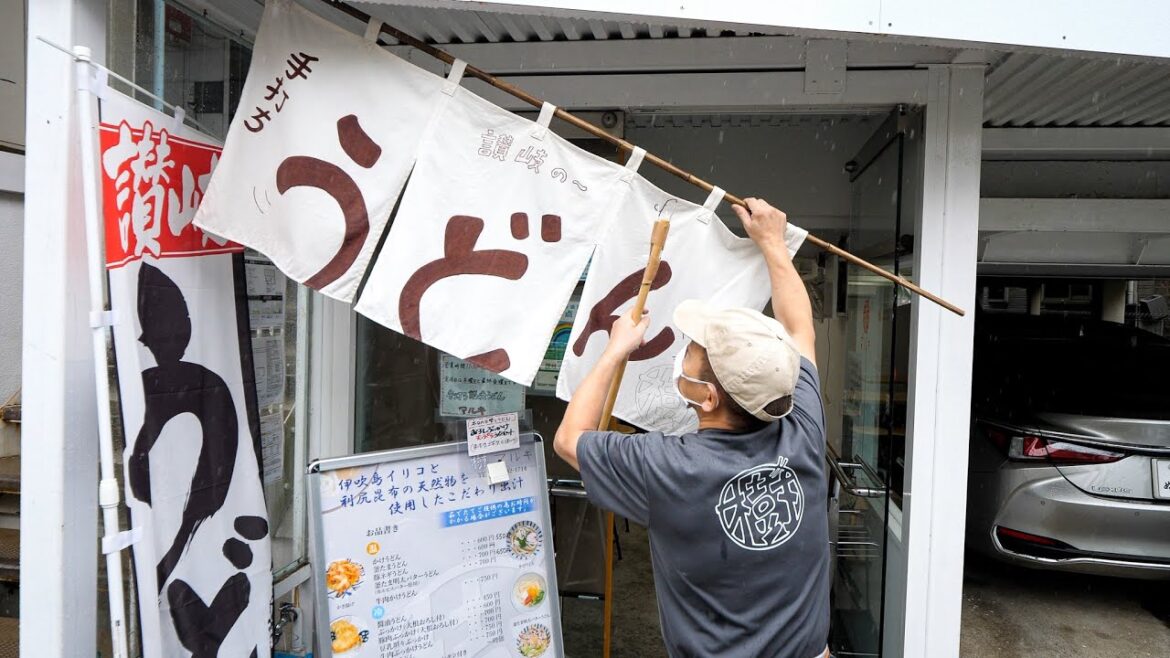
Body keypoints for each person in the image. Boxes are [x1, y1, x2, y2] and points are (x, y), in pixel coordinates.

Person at [554, 198, 830, 658]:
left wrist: (614, 350)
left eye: (692, 353)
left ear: (707, 397)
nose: (683, 354)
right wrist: (773, 244)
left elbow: (568, 440)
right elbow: (800, 330)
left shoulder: (668, 467)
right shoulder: (800, 425)